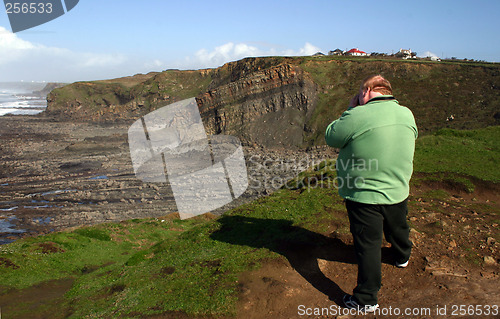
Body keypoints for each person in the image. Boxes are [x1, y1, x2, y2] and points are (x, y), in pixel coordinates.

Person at [324, 75, 418, 313]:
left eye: (360, 93)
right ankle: (401, 256)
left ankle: (366, 298)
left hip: (363, 193)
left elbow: (331, 136)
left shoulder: (357, 114)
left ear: (366, 92)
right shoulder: (406, 113)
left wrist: (350, 109)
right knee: (398, 226)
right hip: (397, 187)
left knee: (368, 245)